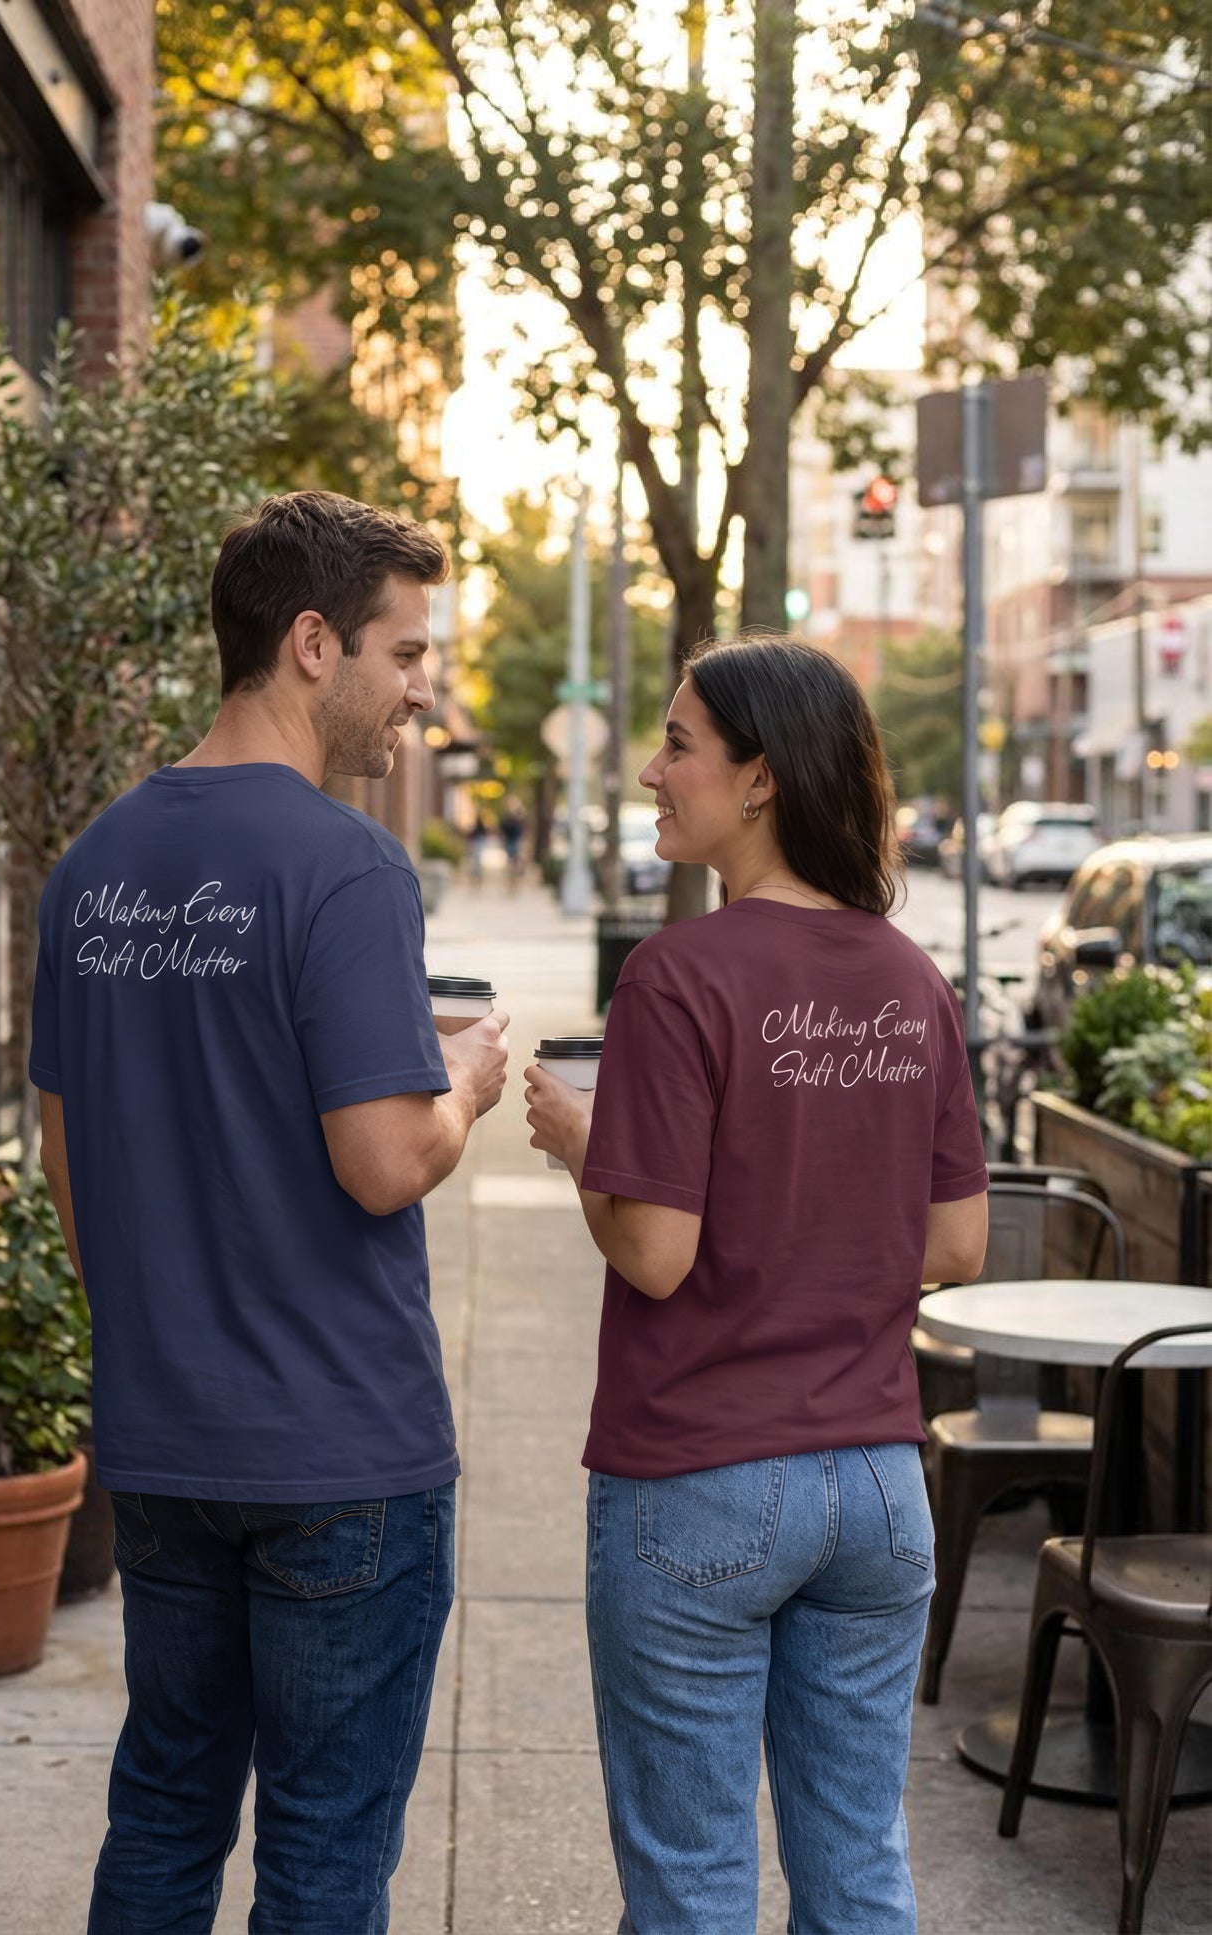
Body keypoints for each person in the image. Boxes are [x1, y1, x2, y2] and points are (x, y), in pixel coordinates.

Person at [31, 490, 510, 1935]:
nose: (421, 692)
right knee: (320, 1851)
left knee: (166, 1809)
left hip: (165, 1444)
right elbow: (381, 1161)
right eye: (406, 653)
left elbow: (70, 1161)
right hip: (338, 1456)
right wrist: (465, 1086)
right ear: (313, 644)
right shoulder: (345, 865)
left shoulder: (90, 865)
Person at [524, 635, 988, 1934]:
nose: (652, 770)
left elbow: (655, 1252)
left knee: (691, 1886)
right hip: (876, 1490)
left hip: (697, 1483)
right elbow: (956, 1248)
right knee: (857, 1870)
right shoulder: (910, 980)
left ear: (762, 778)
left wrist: (580, 1146)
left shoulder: (679, 977)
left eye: (677, 744)